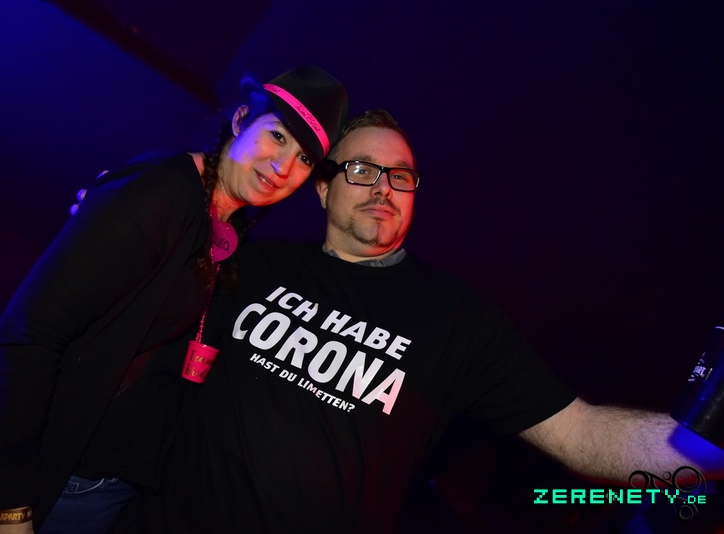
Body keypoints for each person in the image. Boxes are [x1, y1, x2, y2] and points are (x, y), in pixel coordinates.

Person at [114, 109, 724, 533]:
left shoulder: (457, 320)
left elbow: (581, 433)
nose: (383, 188)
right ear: (322, 188)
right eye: (361, 170)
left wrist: (710, 449)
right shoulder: (248, 265)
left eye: (400, 176)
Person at [0, 66, 348, 534]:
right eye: (277, 137)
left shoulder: (227, 226)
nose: (283, 167)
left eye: (304, 159)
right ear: (241, 119)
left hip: (107, 485)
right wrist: (6, 503)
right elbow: (28, 334)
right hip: (54, 477)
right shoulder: (162, 193)